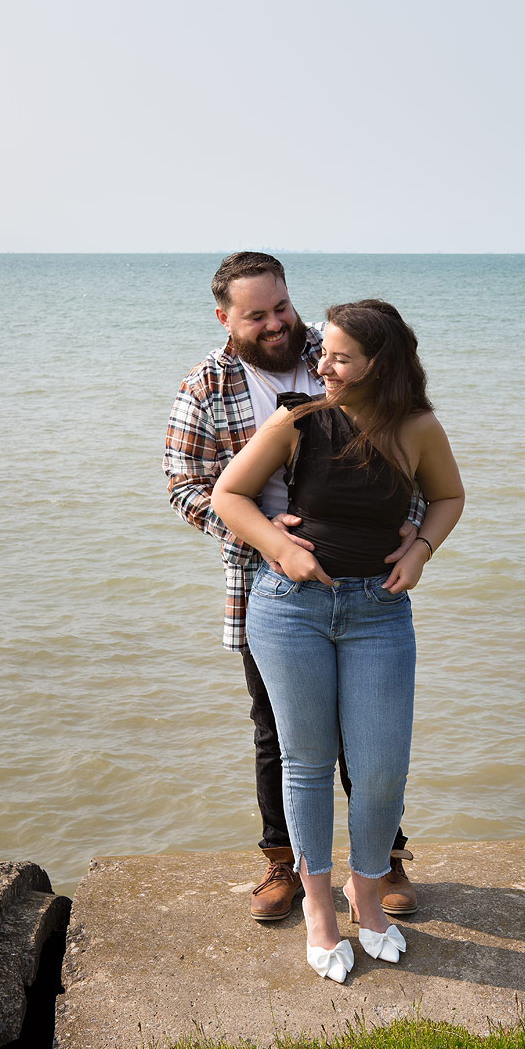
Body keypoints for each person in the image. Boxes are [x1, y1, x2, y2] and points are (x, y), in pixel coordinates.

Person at [163, 254, 426, 921]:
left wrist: (411, 533)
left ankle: (382, 857)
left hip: (364, 578)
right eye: (257, 315)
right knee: (278, 731)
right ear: (225, 318)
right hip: (264, 583)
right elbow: (186, 486)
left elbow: (410, 445)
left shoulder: (334, 352)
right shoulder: (206, 385)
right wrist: (265, 538)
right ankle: (283, 864)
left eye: (281, 306)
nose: (277, 324)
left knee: (370, 736)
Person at [211, 299, 464, 982]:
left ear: (378, 365)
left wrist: (421, 553)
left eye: (340, 356)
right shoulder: (297, 419)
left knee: (380, 769)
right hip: (289, 608)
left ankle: (368, 896)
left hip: (378, 613)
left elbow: (447, 498)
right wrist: (277, 547)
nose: (320, 362)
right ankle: (320, 911)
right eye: (323, 353)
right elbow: (227, 495)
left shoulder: (416, 428)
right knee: (308, 762)